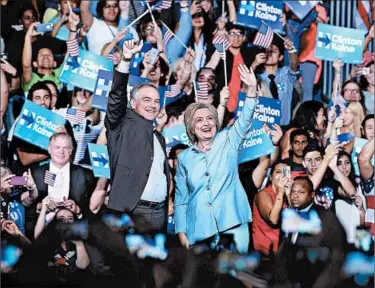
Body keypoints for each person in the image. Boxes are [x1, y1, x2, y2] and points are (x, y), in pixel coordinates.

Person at [174, 64, 258, 254]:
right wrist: (181, 232)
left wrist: (251, 90)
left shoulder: (228, 139)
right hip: (200, 229)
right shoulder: (185, 158)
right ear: (191, 127)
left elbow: (245, 119)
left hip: (233, 223)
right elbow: (181, 199)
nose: (206, 123)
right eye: (199, 120)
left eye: (210, 118)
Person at [105, 40, 170, 233]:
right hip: (131, 212)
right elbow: (116, 95)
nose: (152, 105)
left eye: (156, 101)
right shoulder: (120, 123)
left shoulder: (159, 137)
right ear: (133, 104)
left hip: (159, 214)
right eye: (147, 100)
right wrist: (126, 59)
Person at [272, 176, 347, 288]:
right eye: (293, 192)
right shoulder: (289, 216)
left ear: (312, 195)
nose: (295, 196)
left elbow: (336, 255)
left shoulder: (325, 217)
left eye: (301, 192)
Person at [257, 37, 300, 126]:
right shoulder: (257, 78)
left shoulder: (285, 74)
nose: (269, 54)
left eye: (273, 51)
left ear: (280, 57)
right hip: (263, 127)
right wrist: (255, 64)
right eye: (267, 51)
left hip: (283, 126)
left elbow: (295, 66)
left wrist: (291, 50)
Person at [252, 162, 291, 256]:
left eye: (285, 172)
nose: (282, 175)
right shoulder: (263, 194)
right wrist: (281, 191)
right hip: (266, 254)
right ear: (271, 177)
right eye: (278, 172)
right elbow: (273, 220)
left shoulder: (289, 194)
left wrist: (289, 195)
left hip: (284, 253)